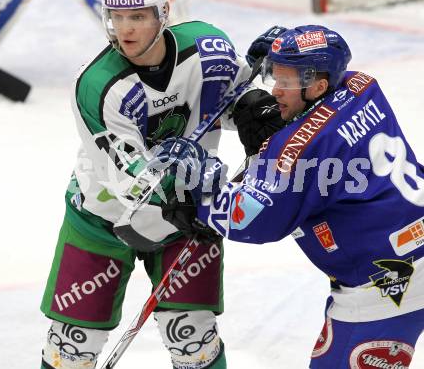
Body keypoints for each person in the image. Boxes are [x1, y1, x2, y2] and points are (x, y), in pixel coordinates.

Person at [39, 0, 286, 368]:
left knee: (194, 340)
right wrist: (201, 194)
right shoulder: (98, 86)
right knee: (71, 349)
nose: (125, 29)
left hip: (188, 215)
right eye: (116, 17)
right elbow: (132, 180)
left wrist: (254, 107)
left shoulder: (209, 50)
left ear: (164, 13)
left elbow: (231, 96)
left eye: (137, 15)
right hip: (103, 218)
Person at [160, 25, 424, 368]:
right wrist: (289, 48)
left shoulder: (295, 150)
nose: (276, 90)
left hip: (387, 287)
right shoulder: (362, 85)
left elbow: (253, 221)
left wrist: (202, 193)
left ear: (318, 85)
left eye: (286, 82)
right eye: (276, 77)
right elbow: (321, 134)